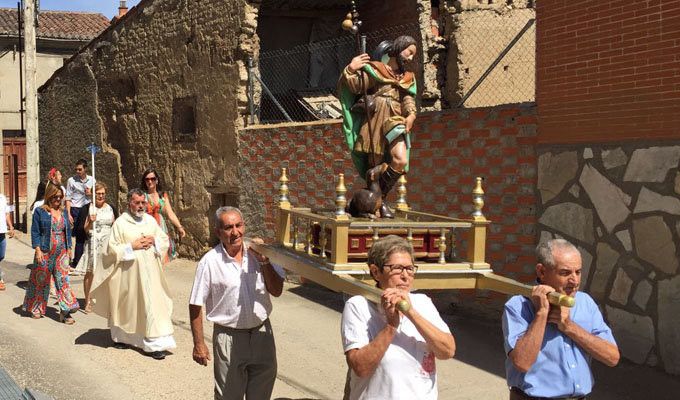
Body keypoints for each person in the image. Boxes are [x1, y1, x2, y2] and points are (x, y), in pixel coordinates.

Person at [502, 239, 620, 400]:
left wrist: (569, 326)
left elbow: (612, 357)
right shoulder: (518, 306)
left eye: (578, 272)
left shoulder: (585, 302)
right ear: (542, 272)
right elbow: (522, 363)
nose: (575, 281)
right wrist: (541, 314)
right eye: (565, 273)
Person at [341, 235, 455, 400]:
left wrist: (411, 313)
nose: (405, 276)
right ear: (376, 272)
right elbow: (361, 368)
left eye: (410, 268)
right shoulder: (358, 306)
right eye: (397, 268)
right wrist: (391, 327)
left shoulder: (423, 302)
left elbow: (447, 351)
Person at [189, 206, 284, 400]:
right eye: (228, 227)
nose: (235, 232)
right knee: (228, 396)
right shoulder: (209, 262)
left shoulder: (259, 253)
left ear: (244, 226)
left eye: (238, 225)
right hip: (228, 337)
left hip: (262, 335)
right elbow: (195, 304)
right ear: (218, 232)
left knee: (261, 395)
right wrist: (199, 343)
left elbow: (277, 290)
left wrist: (265, 262)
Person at [338, 35, 418, 218]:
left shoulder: (407, 77)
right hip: (376, 119)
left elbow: (407, 98)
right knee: (375, 164)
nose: (411, 58)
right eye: (409, 52)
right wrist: (351, 68)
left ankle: (376, 199)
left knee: (400, 160)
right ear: (398, 49)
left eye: (413, 54)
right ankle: (378, 203)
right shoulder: (376, 70)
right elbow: (357, 86)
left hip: (396, 120)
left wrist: (411, 114)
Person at [90, 188, 175, 360]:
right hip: (127, 275)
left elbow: (164, 240)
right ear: (129, 203)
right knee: (127, 307)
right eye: (137, 202)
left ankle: (153, 344)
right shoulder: (121, 223)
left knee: (150, 306)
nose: (141, 206)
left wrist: (154, 241)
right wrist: (131, 246)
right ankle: (122, 338)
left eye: (143, 202)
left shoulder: (151, 221)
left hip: (150, 275)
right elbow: (110, 250)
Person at [23, 184, 80, 323]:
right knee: (40, 280)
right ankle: (36, 308)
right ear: (49, 196)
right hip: (44, 250)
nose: (58, 199)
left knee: (63, 281)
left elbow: (67, 231)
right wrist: (37, 250)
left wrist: (69, 248)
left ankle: (65, 312)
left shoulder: (63, 211)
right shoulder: (40, 212)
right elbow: (35, 232)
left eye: (60, 197)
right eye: (55, 197)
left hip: (62, 252)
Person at [74, 182, 118, 313]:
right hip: (93, 244)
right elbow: (83, 230)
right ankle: (87, 301)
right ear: (93, 195)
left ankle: (106, 301)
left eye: (103, 194)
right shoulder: (88, 209)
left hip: (108, 245)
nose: (101, 196)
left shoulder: (111, 208)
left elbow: (115, 226)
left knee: (109, 273)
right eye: (98, 194)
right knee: (91, 273)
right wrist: (90, 222)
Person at [140, 168, 186, 264]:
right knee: (148, 256)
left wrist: (179, 227)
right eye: (147, 179)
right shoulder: (142, 196)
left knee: (161, 256)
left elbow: (170, 213)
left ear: (156, 180)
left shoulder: (162, 195)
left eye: (152, 179)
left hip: (160, 228)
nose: (150, 181)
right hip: (147, 227)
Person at [66, 159, 94, 269]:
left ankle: (86, 259)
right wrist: (68, 213)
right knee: (78, 235)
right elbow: (68, 197)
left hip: (87, 208)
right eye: (76, 169)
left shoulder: (92, 180)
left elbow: (97, 195)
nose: (78, 171)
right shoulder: (71, 181)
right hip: (76, 209)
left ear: (85, 169)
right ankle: (77, 261)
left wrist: (90, 193)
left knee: (87, 234)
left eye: (80, 169)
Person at [0, 192, 15, 291]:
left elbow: (6, 214)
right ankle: (0, 280)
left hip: (2, 231)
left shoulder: (2, 197)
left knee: (1, 255)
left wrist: (11, 226)